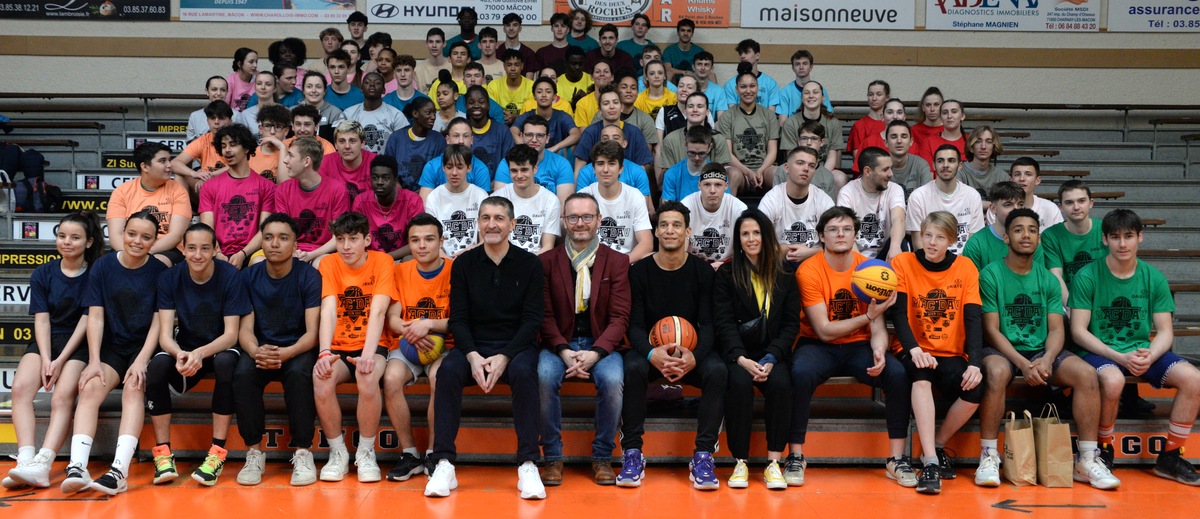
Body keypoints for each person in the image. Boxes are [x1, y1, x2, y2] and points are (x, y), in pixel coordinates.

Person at [976, 208, 1120, 490]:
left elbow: (1057, 329)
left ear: (1039, 239)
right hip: (1002, 350)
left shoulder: (1049, 280)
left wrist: (1046, 359)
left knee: (1087, 374)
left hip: (1042, 351)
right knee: (996, 372)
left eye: (1032, 230)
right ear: (1006, 237)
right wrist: (1022, 361)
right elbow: (991, 330)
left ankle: (1087, 458)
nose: (1025, 235)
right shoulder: (990, 274)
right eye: (1018, 230)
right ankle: (989, 455)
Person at [424, 197, 547, 499]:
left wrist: (505, 356)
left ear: (512, 225)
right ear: (477, 223)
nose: (492, 224)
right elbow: (459, 319)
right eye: (485, 218)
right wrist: (472, 356)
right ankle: (444, 463)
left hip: (516, 347)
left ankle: (528, 465)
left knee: (524, 374)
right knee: (448, 372)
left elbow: (532, 321)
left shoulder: (530, 263)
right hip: (473, 346)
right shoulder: (464, 263)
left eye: (499, 218)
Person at [1070, 209, 1200, 485]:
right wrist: (1118, 355)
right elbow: (1078, 331)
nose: (1122, 244)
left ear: (1140, 237)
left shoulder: (1154, 278)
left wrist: (1151, 354)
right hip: (1099, 351)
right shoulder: (1087, 275)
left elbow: (1165, 331)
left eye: (1129, 236)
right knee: (1114, 380)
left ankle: (1170, 456)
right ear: (1104, 239)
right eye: (1115, 237)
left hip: (1141, 350)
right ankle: (1104, 450)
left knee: (1194, 379)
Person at [788, 206, 909, 488]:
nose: (840, 234)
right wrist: (867, 317)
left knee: (897, 373)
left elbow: (878, 328)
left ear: (856, 234)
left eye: (846, 229)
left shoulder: (871, 270)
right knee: (800, 373)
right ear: (821, 236)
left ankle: (896, 459)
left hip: (859, 345)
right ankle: (795, 455)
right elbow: (825, 331)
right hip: (817, 344)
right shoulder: (809, 270)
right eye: (833, 229)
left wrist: (879, 349)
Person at [616, 201, 725, 489]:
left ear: (688, 231)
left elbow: (710, 324)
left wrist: (694, 357)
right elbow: (634, 325)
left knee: (717, 371)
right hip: (652, 352)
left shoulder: (703, 273)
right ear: (656, 230)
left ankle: (703, 455)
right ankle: (632, 452)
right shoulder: (639, 272)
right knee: (632, 368)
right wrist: (652, 353)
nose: (670, 230)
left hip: (691, 352)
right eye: (664, 224)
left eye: (676, 225)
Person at [65, 209, 170, 495]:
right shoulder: (102, 267)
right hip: (111, 348)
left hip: (143, 348)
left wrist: (141, 360)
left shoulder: (160, 272)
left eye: (146, 237)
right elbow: (95, 316)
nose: (137, 241)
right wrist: (95, 360)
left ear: (154, 241)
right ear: (121, 234)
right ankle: (77, 466)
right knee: (89, 388)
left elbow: (159, 322)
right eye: (132, 234)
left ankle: (119, 471)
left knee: (134, 389)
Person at [537, 192, 631, 486]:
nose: (580, 223)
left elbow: (619, 318)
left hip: (601, 344)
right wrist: (564, 351)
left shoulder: (616, 261)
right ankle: (552, 457)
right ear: (563, 221)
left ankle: (602, 456)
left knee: (613, 381)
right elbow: (544, 316)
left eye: (587, 217)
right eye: (573, 217)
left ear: (599, 220)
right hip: (558, 344)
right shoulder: (547, 262)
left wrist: (596, 353)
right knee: (542, 376)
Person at [5, 212, 103, 490]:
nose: (67, 242)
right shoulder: (43, 273)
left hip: (79, 343)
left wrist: (60, 361)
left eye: (75, 238)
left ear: (88, 242)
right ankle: (25, 460)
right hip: (47, 340)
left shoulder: (95, 273)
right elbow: (42, 319)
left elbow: (88, 320)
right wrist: (47, 358)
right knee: (21, 388)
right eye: (61, 236)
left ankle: (44, 464)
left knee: (62, 396)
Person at [889, 211, 984, 495]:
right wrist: (914, 349)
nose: (931, 242)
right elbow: (899, 314)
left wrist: (975, 363)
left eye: (940, 237)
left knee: (975, 388)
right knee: (921, 375)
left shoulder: (966, 267)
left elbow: (973, 318)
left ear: (952, 241)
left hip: (950, 351)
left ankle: (939, 444)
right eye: (927, 235)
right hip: (913, 348)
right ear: (920, 234)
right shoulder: (903, 262)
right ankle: (930, 462)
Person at [146, 223, 248, 487]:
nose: (198, 255)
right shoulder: (170, 278)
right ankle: (163, 455)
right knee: (156, 368)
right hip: (186, 347)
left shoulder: (229, 276)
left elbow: (231, 335)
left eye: (205, 248)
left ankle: (216, 454)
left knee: (226, 363)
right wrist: (180, 353)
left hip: (218, 347)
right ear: (182, 249)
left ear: (216, 249)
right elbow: (165, 335)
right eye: (192, 248)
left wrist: (200, 353)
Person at [233, 213, 321, 487]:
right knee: (243, 375)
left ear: (295, 245)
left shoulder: (309, 276)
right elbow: (244, 329)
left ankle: (303, 452)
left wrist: (287, 353)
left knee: (298, 376)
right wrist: (255, 351)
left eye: (283, 238)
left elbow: (313, 333)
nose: (274, 244)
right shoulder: (248, 276)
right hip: (262, 347)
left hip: (298, 347)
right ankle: (254, 452)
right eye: (268, 237)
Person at [312, 212, 398, 484]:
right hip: (338, 345)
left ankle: (365, 452)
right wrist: (324, 352)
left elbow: (379, 311)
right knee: (320, 376)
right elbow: (328, 309)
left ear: (367, 240)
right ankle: (338, 454)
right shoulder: (328, 263)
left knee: (368, 376)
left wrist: (369, 355)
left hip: (373, 344)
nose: (346, 246)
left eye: (353, 239)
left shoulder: (383, 261)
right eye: (340, 239)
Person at [715, 209, 799, 489]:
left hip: (772, 354)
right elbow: (724, 323)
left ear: (766, 236)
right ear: (738, 240)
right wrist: (740, 359)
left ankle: (774, 463)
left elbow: (790, 324)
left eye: (756, 233)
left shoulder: (785, 273)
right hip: (738, 354)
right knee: (738, 385)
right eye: (745, 234)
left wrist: (773, 357)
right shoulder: (727, 273)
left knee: (782, 385)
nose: (751, 239)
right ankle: (740, 462)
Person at [382, 213, 454, 481]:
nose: (421, 246)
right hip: (408, 343)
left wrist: (429, 325)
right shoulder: (400, 271)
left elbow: (459, 321)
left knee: (439, 377)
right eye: (415, 240)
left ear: (441, 241)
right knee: (390, 379)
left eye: (428, 239)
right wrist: (412, 330)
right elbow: (392, 318)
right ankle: (410, 453)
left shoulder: (455, 269)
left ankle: (434, 453)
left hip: (445, 344)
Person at [199, 124, 276, 269]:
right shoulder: (210, 186)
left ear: (246, 148)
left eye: (233, 145)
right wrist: (218, 253)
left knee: (260, 263)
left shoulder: (266, 186)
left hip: (252, 251)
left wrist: (242, 253)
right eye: (223, 146)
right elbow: (207, 229)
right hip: (217, 252)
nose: (227, 150)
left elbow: (264, 230)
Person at [268, 136, 351, 265]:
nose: (285, 161)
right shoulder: (282, 190)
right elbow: (282, 231)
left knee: (320, 263)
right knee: (258, 261)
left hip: (324, 252)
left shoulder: (337, 190)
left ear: (306, 162)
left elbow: (339, 236)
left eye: (290, 155)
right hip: (290, 249)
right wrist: (292, 252)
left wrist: (311, 255)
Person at [109, 142, 191, 267]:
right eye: (163, 161)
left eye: (169, 160)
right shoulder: (122, 192)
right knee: (109, 264)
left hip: (166, 249)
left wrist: (144, 253)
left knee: (155, 264)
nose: (169, 165)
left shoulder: (178, 191)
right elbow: (116, 235)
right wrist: (130, 254)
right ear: (145, 167)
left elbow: (176, 235)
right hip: (130, 247)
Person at [758, 146, 835, 266]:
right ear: (787, 168)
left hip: (815, 263)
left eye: (811, 166)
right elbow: (759, 244)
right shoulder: (772, 199)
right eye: (800, 163)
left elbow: (836, 243)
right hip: (779, 263)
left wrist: (809, 253)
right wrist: (791, 251)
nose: (806, 169)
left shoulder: (823, 200)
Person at [579, 141, 653, 262]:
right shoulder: (583, 197)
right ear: (593, 168)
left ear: (621, 168)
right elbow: (576, 241)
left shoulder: (635, 196)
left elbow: (646, 243)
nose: (605, 169)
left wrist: (621, 264)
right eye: (600, 164)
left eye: (612, 163)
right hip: (591, 262)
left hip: (626, 261)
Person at [906, 145, 984, 255]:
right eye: (940, 161)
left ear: (960, 165)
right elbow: (918, 245)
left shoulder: (972, 196)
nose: (945, 165)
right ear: (934, 165)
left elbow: (973, 242)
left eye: (951, 161)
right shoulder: (918, 196)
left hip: (962, 263)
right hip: (929, 261)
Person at [1042, 179, 1107, 308]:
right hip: (1069, 303)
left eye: (1081, 201)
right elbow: (1056, 276)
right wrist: (1073, 309)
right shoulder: (1050, 235)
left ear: (1091, 203)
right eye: (1069, 202)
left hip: (1104, 301)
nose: (1076, 207)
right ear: (1060, 207)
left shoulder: (1106, 229)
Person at [837, 147, 906, 260]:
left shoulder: (894, 189)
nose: (891, 174)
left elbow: (899, 219)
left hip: (885, 253)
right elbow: (846, 231)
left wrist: (895, 247)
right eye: (885, 170)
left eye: (891, 168)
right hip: (855, 254)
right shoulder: (847, 192)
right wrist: (863, 264)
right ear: (868, 171)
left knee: (902, 244)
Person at [719, 66, 779, 193]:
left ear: (757, 88)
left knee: (777, 173)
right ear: (736, 89)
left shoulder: (769, 115)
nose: (748, 91)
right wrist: (748, 172)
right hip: (739, 170)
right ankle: (730, 213)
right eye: (743, 87)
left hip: (764, 169)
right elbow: (728, 155)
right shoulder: (727, 116)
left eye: (752, 86)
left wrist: (760, 171)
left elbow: (772, 151)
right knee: (733, 175)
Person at [351, 155, 424, 260]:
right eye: (375, 178)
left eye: (385, 178)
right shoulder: (361, 202)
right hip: (369, 260)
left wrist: (386, 258)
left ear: (395, 180)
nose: (379, 182)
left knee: (410, 259)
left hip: (400, 258)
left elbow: (418, 241)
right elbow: (355, 239)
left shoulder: (412, 201)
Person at [492, 145, 561, 254]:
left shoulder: (551, 201)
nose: (519, 175)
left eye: (524, 170)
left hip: (537, 262)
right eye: (514, 171)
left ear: (535, 168)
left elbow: (548, 247)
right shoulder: (497, 199)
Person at [424, 144, 490, 257]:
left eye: (459, 167)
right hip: (441, 259)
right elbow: (429, 238)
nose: (454, 173)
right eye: (449, 167)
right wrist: (447, 261)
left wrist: (470, 252)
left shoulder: (480, 196)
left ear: (469, 168)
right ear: (443, 168)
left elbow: (487, 237)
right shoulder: (434, 197)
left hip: (475, 257)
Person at [964, 181, 1045, 270]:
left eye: (1020, 204)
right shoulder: (976, 244)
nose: (1016, 209)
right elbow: (972, 282)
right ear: (993, 209)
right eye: (1008, 205)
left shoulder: (1031, 241)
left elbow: (1039, 280)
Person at [574, 86, 654, 174]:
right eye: (606, 103)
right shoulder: (590, 132)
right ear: (600, 110)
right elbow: (579, 166)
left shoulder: (634, 132)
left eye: (615, 102)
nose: (611, 107)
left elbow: (641, 168)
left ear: (622, 107)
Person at [655, 92, 730, 184]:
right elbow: (667, 173)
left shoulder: (718, 138)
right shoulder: (671, 139)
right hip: (679, 184)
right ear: (685, 111)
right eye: (690, 106)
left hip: (711, 185)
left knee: (733, 172)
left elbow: (721, 171)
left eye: (700, 106)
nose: (695, 110)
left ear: (707, 111)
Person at [496, 115, 575, 202]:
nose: (534, 140)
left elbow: (564, 206)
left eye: (540, 135)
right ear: (521, 137)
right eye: (529, 135)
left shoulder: (561, 164)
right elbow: (500, 203)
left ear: (547, 138)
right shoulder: (508, 162)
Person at [681, 165, 746, 267]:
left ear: (726, 186)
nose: (712, 190)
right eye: (707, 184)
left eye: (718, 185)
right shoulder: (686, 206)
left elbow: (746, 247)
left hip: (728, 266)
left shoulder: (738, 208)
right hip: (693, 266)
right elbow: (680, 248)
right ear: (699, 185)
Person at [779, 80, 842, 174]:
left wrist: (822, 176)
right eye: (806, 93)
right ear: (801, 98)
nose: (811, 96)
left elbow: (832, 156)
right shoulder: (790, 123)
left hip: (824, 169)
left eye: (815, 92)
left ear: (823, 97)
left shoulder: (833, 123)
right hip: (798, 169)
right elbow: (792, 156)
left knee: (840, 177)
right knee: (780, 171)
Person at [172, 100, 234, 195]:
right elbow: (174, 163)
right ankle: (184, 209)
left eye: (221, 118)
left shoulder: (238, 140)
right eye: (212, 118)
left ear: (230, 121)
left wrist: (210, 176)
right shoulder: (202, 140)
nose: (216, 122)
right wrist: (196, 174)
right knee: (180, 175)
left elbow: (239, 166)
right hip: (207, 185)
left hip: (232, 187)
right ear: (207, 121)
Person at [418, 118, 492, 197]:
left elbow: (484, 206)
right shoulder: (431, 167)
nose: (461, 141)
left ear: (471, 140)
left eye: (465, 136)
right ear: (447, 139)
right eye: (456, 136)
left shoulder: (480, 169)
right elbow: (426, 205)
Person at [383, 97, 445, 191]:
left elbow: (441, 173)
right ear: (415, 113)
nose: (433, 117)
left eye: (434, 113)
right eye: (428, 113)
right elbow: (387, 168)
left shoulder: (439, 140)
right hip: (399, 195)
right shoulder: (396, 138)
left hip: (428, 194)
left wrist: (421, 193)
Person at [342, 72, 409, 155]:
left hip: (386, 165)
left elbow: (403, 147)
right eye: (367, 82)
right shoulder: (349, 114)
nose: (372, 85)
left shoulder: (396, 115)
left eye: (377, 83)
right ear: (361, 89)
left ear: (384, 90)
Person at [512, 79, 580, 157]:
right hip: (529, 158)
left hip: (555, 158)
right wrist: (524, 146)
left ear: (554, 96)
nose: (544, 95)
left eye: (548, 92)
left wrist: (554, 148)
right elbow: (512, 130)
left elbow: (576, 134)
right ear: (534, 96)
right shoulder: (527, 116)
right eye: (539, 92)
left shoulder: (562, 116)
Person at [771, 120, 836, 196]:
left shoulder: (827, 176)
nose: (808, 143)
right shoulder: (783, 171)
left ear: (822, 142)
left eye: (814, 139)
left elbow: (829, 207)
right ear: (798, 141)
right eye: (804, 138)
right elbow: (776, 201)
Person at [660, 126, 725, 202]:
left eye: (701, 153)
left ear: (710, 147)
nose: (696, 158)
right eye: (692, 153)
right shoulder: (672, 174)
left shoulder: (718, 173)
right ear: (685, 146)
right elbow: (668, 208)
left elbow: (725, 202)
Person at [464, 86, 514, 176]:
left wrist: (496, 184)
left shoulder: (502, 131)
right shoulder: (460, 130)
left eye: (481, 102)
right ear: (466, 106)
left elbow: (509, 163)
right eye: (471, 102)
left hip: (497, 186)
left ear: (488, 106)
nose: (476, 106)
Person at [319, 119, 375, 201]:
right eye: (342, 141)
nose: (347, 146)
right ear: (336, 145)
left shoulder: (376, 162)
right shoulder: (325, 162)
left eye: (352, 141)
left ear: (363, 143)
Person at [1004, 157, 1065, 231]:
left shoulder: (1050, 208)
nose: (1022, 179)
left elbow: (1060, 238)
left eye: (1028, 174)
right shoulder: (1001, 209)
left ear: (1037, 180)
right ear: (1010, 180)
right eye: (1017, 174)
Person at [722, 40, 778, 113]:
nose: (742, 56)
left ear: (757, 55)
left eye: (746, 52)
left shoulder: (770, 83)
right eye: (740, 53)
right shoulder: (730, 84)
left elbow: (771, 114)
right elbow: (733, 113)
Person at [845, 80, 889, 173]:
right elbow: (858, 158)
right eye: (870, 94)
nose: (874, 98)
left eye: (879, 94)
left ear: (887, 97)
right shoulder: (859, 126)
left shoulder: (892, 126)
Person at [777, 49, 834, 118]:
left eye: (805, 63)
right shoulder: (785, 92)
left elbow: (828, 116)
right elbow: (783, 122)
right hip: (794, 128)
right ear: (793, 68)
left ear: (811, 67)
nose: (801, 67)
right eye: (797, 64)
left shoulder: (820, 90)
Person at [885, 120, 931, 201]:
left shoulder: (921, 165)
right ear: (886, 142)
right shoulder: (877, 166)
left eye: (904, 136)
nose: (899, 141)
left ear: (911, 141)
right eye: (893, 137)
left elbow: (927, 199)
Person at [486, 50, 535, 125]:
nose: (513, 69)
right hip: (499, 125)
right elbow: (492, 112)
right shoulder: (493, 85)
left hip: (525, 126)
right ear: (504, 66)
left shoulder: (532, 86)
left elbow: (532, 114)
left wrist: (515, 117)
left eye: (516, 65)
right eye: (509, 65)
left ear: (522, 66)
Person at [959, 125, 1006, 201]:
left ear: (994, 147)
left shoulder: (1002, 176)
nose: (983, 146)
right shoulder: (960, 173)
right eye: (978, 141)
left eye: (988, 142)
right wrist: (994, 206)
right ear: (971, 147)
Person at [299, 72, 347, 143]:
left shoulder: (335, 113)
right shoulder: (292, 112)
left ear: (325, 91)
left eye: (318, 87)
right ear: (303, 90)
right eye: (309, 86)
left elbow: (338, 142)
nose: (313, 90)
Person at [917, 100, 966, 167]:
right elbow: (928, 175)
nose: (949, 116)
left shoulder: (971, 141)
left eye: (954, 112)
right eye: (945, 113)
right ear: (940, 118)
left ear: (962, 116)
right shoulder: (928, 142)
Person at [248, 104, 291, 183]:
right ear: (260, 129)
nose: (272, 132)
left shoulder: (292, 155)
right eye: (267, 126)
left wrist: (282, 147)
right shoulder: (250, 154)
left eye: (278, 126)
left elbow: (284, 186)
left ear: (286, 131)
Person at [499, 13, 541, 77]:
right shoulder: (497, 52)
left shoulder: (529, 54)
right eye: (508, 25)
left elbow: (529, 82)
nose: (511, 28)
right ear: (504, 29)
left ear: (520, 28)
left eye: (515, 25)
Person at [188, 76, 229, 140]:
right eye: (214, 89)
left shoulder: (236, 115)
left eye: (223, 90)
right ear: (207, 91)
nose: (218, 93)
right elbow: (190, 142)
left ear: (227, 92)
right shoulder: (195, 116)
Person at [415, 28, 451, 93]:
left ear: (444, 43)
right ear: (426, 44)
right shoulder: (418, 70)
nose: (434, 45)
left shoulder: (453, 67)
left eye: (438, 42)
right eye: (431, 42)